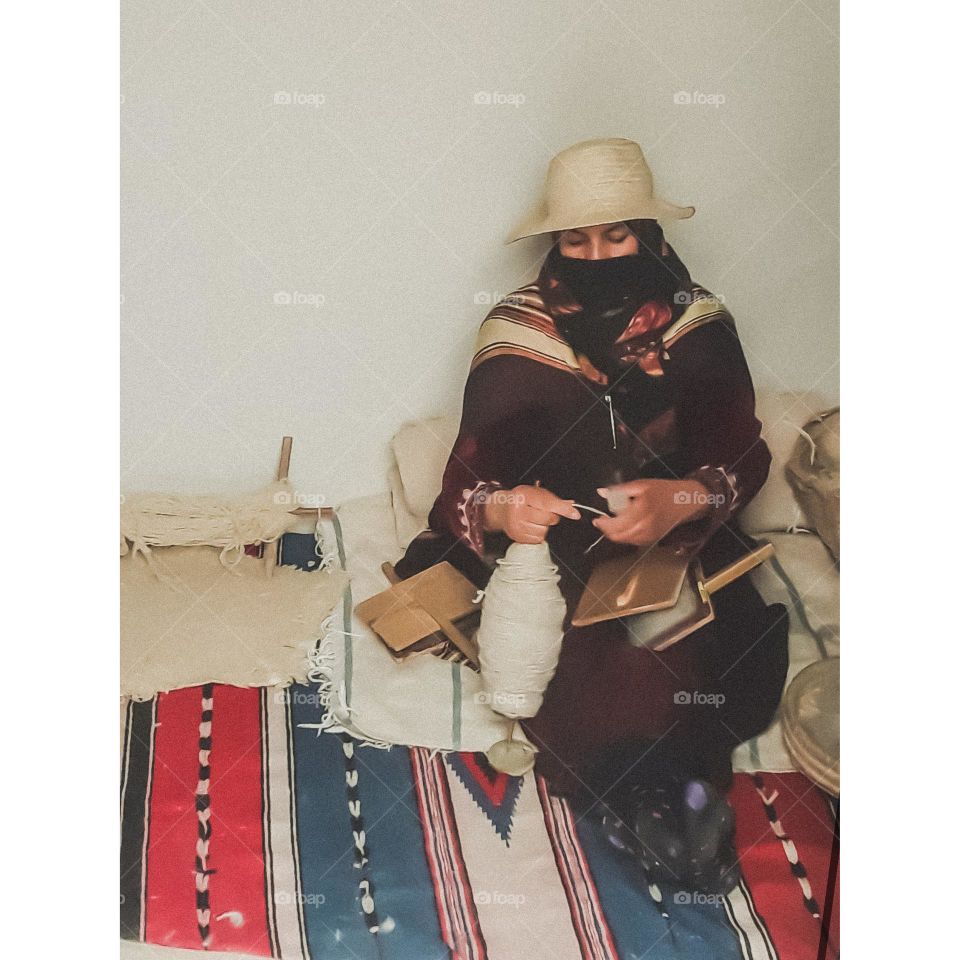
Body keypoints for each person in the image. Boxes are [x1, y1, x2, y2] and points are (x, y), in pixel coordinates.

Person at [394, 138, 789, 893]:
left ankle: (681, 789)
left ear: (650, 234)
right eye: (577, 238)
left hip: (679, 538)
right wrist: (507, 510)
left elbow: (744, 457)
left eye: (618, 234)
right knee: (588, 654)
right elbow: (467, 479)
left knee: (690, 641)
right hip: (555, 546)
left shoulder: (695, 324)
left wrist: (682, 497)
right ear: (554, 244)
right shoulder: (518, 331)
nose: (599, 253)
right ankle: (637, 788)